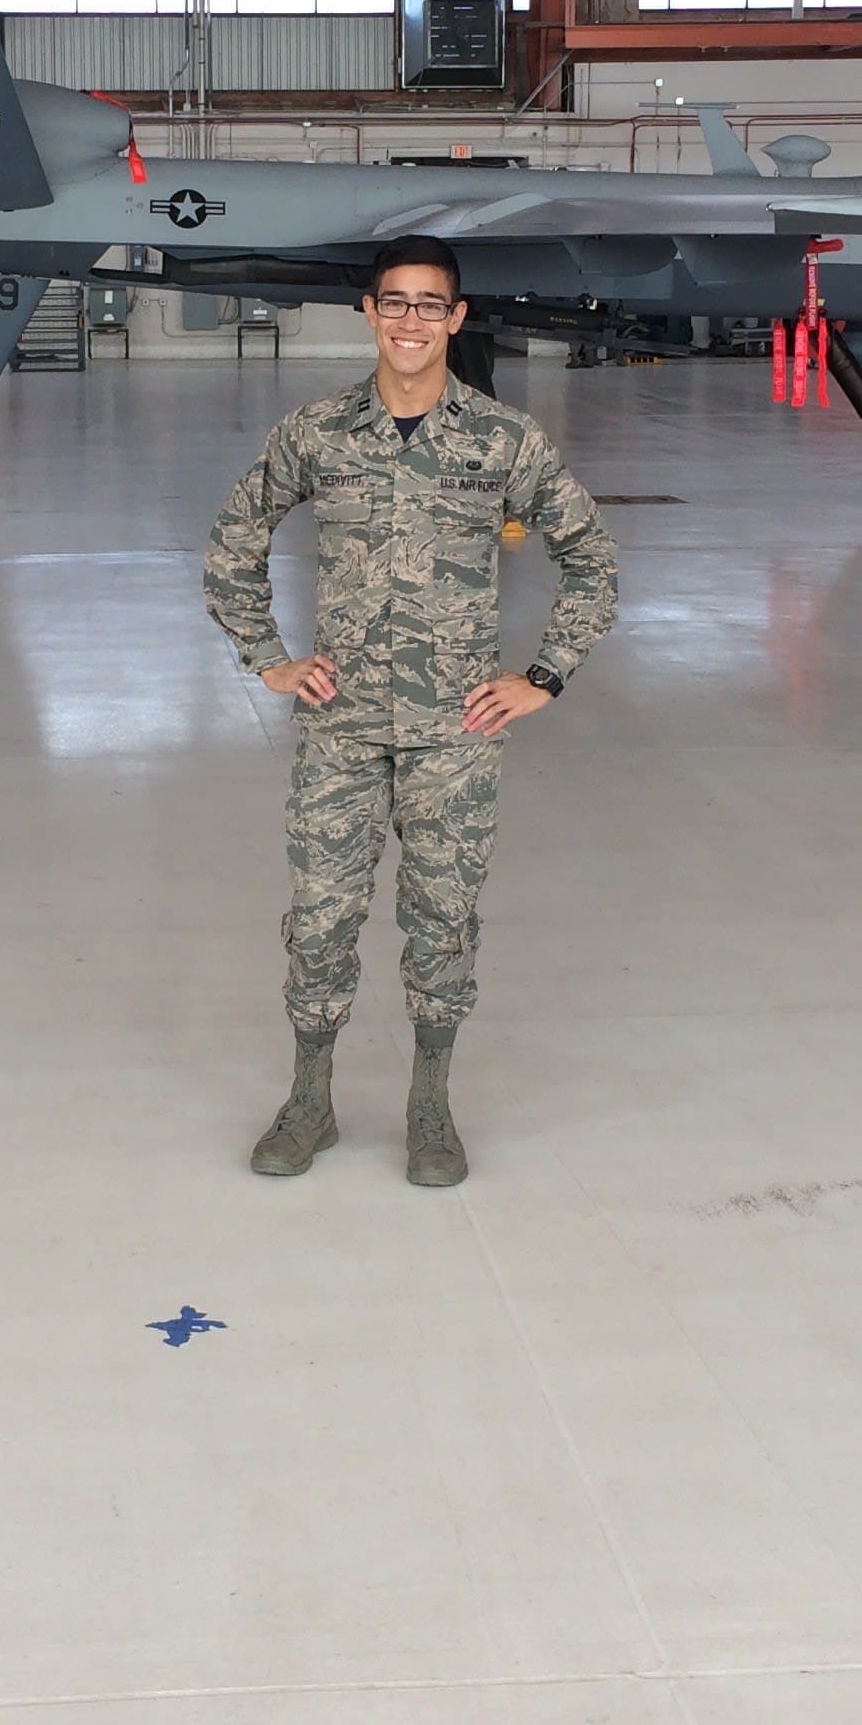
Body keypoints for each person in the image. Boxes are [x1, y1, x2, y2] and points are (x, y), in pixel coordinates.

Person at [202, 236, 617, 1186]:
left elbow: (592, 561)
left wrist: (542, 676)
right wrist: (269, 659)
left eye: (432, 305)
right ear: (369, 314)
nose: (412, 321)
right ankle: (311, 1102)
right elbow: (234, 541)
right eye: (395, 302)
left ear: (457, 319)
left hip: (456, 733)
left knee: (442, 921)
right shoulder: (316, 434)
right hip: (341, 724)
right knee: (319, 919)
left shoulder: (504, 442)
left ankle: (430, 1108)